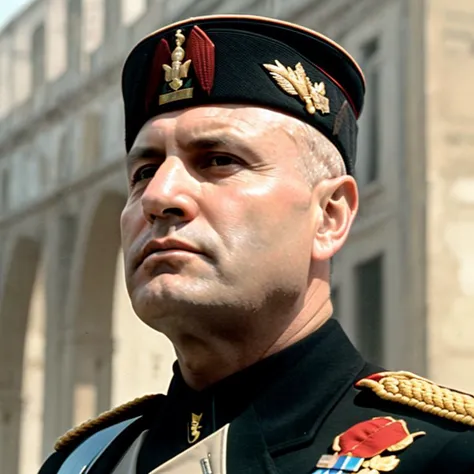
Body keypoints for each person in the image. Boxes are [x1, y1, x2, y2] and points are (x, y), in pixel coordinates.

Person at [39, 14, 474, 474]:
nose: (159, 196)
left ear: (329, 215)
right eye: (144, 171)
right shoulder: (83, 463)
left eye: (219, 160)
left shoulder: (447, 457)